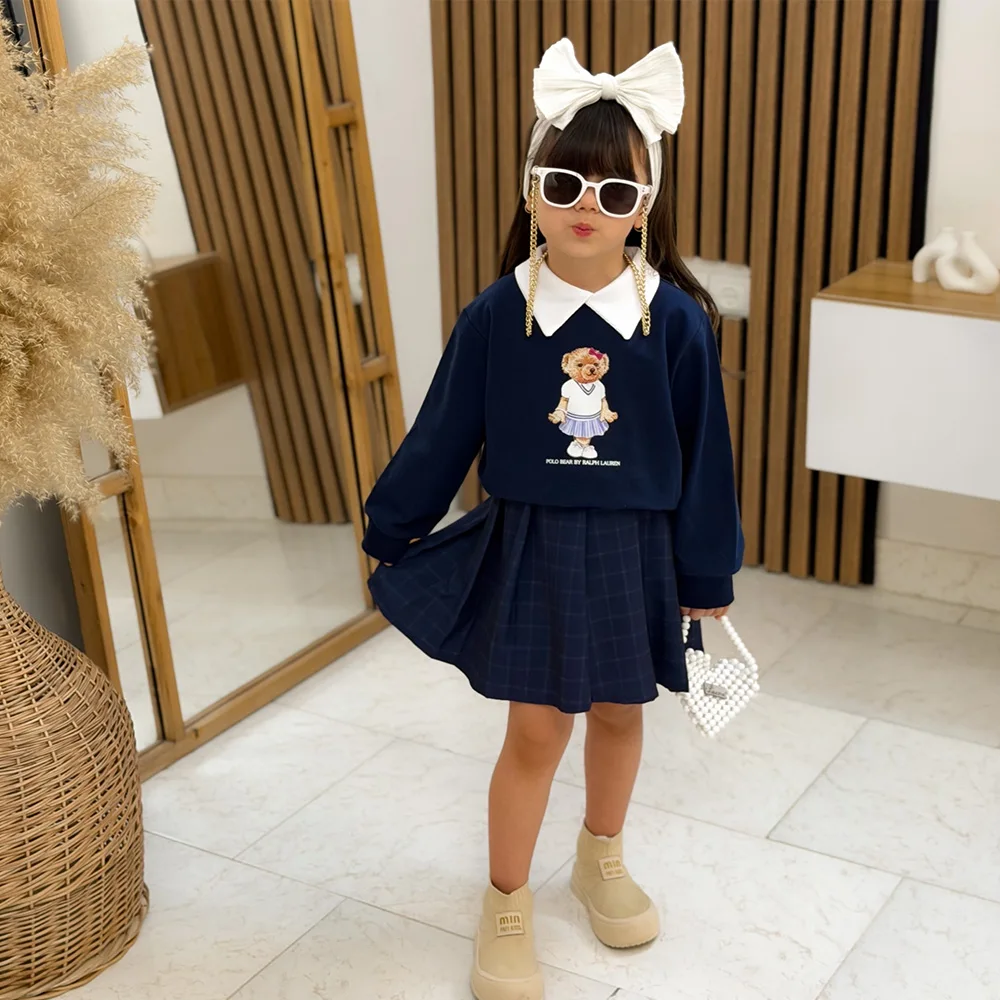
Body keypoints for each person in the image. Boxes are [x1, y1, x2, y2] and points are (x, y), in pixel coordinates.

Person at [362, 37, 743, 1000]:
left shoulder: (676, 321)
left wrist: (705, 575)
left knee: (620, 711)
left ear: (644, 208)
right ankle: (506, 901)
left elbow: (706, 459)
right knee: (535, 732)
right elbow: (445, 427)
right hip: (531, 542)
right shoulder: (499, 314)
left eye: (615, 193)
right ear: (532, 191)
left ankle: (599, 857)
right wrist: (392, 527)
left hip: (635, 548)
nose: (588, 207)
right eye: (566, 183)